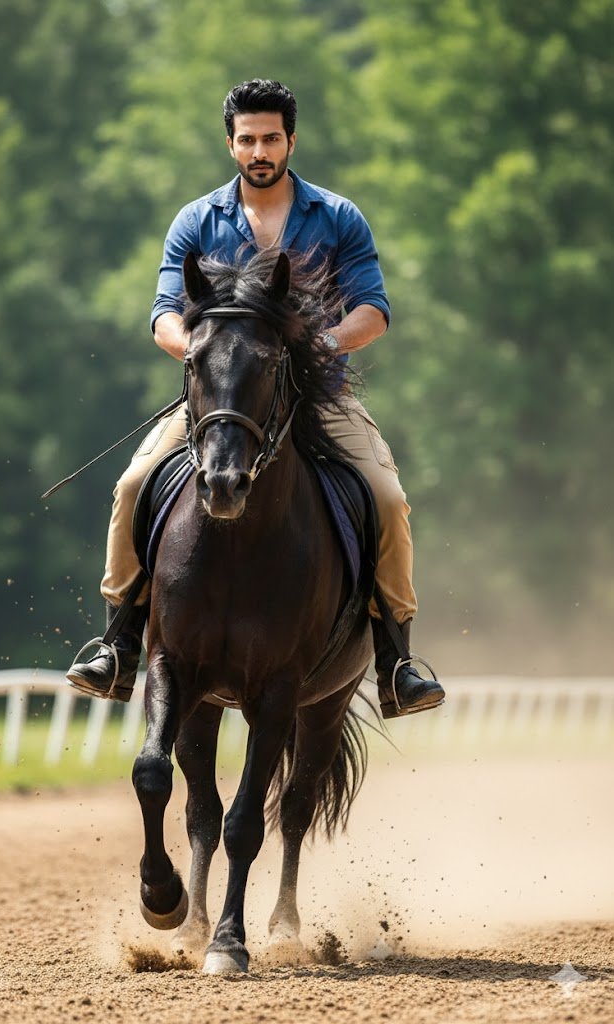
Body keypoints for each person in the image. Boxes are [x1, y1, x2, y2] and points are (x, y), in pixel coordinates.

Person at [67, 79, 444, 718]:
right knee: (132, 486)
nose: (259, 150)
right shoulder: (195, 221)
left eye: (271, 138)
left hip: (319, 395)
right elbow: (163, 314)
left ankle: (395, 659)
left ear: (292, 140)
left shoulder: (339, 217)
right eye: (248, 140)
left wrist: (318, 344)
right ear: (230, 144)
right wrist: (205, 355)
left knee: (388, 498)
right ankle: (119, 643)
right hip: (222, 403)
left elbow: (373, 310)